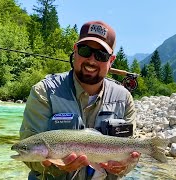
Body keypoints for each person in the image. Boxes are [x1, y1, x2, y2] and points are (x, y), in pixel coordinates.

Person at [19, 20, 139, 180]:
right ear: (75, 50)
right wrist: (54, 166)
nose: (91, 60)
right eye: (85, 50)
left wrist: (124, 166)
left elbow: (131, 152)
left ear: (111, 61)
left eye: (101, 55)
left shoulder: (124, 98)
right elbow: (30, 154)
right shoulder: (45, 92)